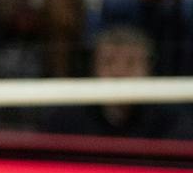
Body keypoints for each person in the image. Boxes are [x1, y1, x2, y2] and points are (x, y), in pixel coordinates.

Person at [40, 27, 193, 140]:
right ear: (94, 68)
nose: (119, 72)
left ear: (148, 69)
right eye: (108, 62)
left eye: (131, 63)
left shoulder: (170, 124)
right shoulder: (65, 123)